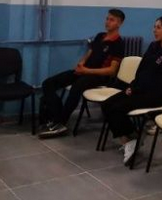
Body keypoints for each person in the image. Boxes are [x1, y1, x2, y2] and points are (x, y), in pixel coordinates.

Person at [101, 16, 162, 165]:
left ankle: (132, 140)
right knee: (107, 104)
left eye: (158, 27)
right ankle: (130, 139)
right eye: (154, 27)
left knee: (117, 108)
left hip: (156, 95)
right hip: (139, 89)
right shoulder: (154, 46)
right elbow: (142, 70)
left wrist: (138, 89)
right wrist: (132, 87)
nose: (154, 30)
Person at [38, 9, 126, 139]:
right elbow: (89, 53)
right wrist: (81, 64)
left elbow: (112, 71)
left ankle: (61, 122)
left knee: (76, 87)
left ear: (119, 23)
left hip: (99, 77)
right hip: (84, 71)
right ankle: (56, 117)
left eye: (111, 20)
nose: (107, 22)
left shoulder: (118, 43)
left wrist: (86, 71)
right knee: (48, 83)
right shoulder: (100, 36)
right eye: (107, 18)